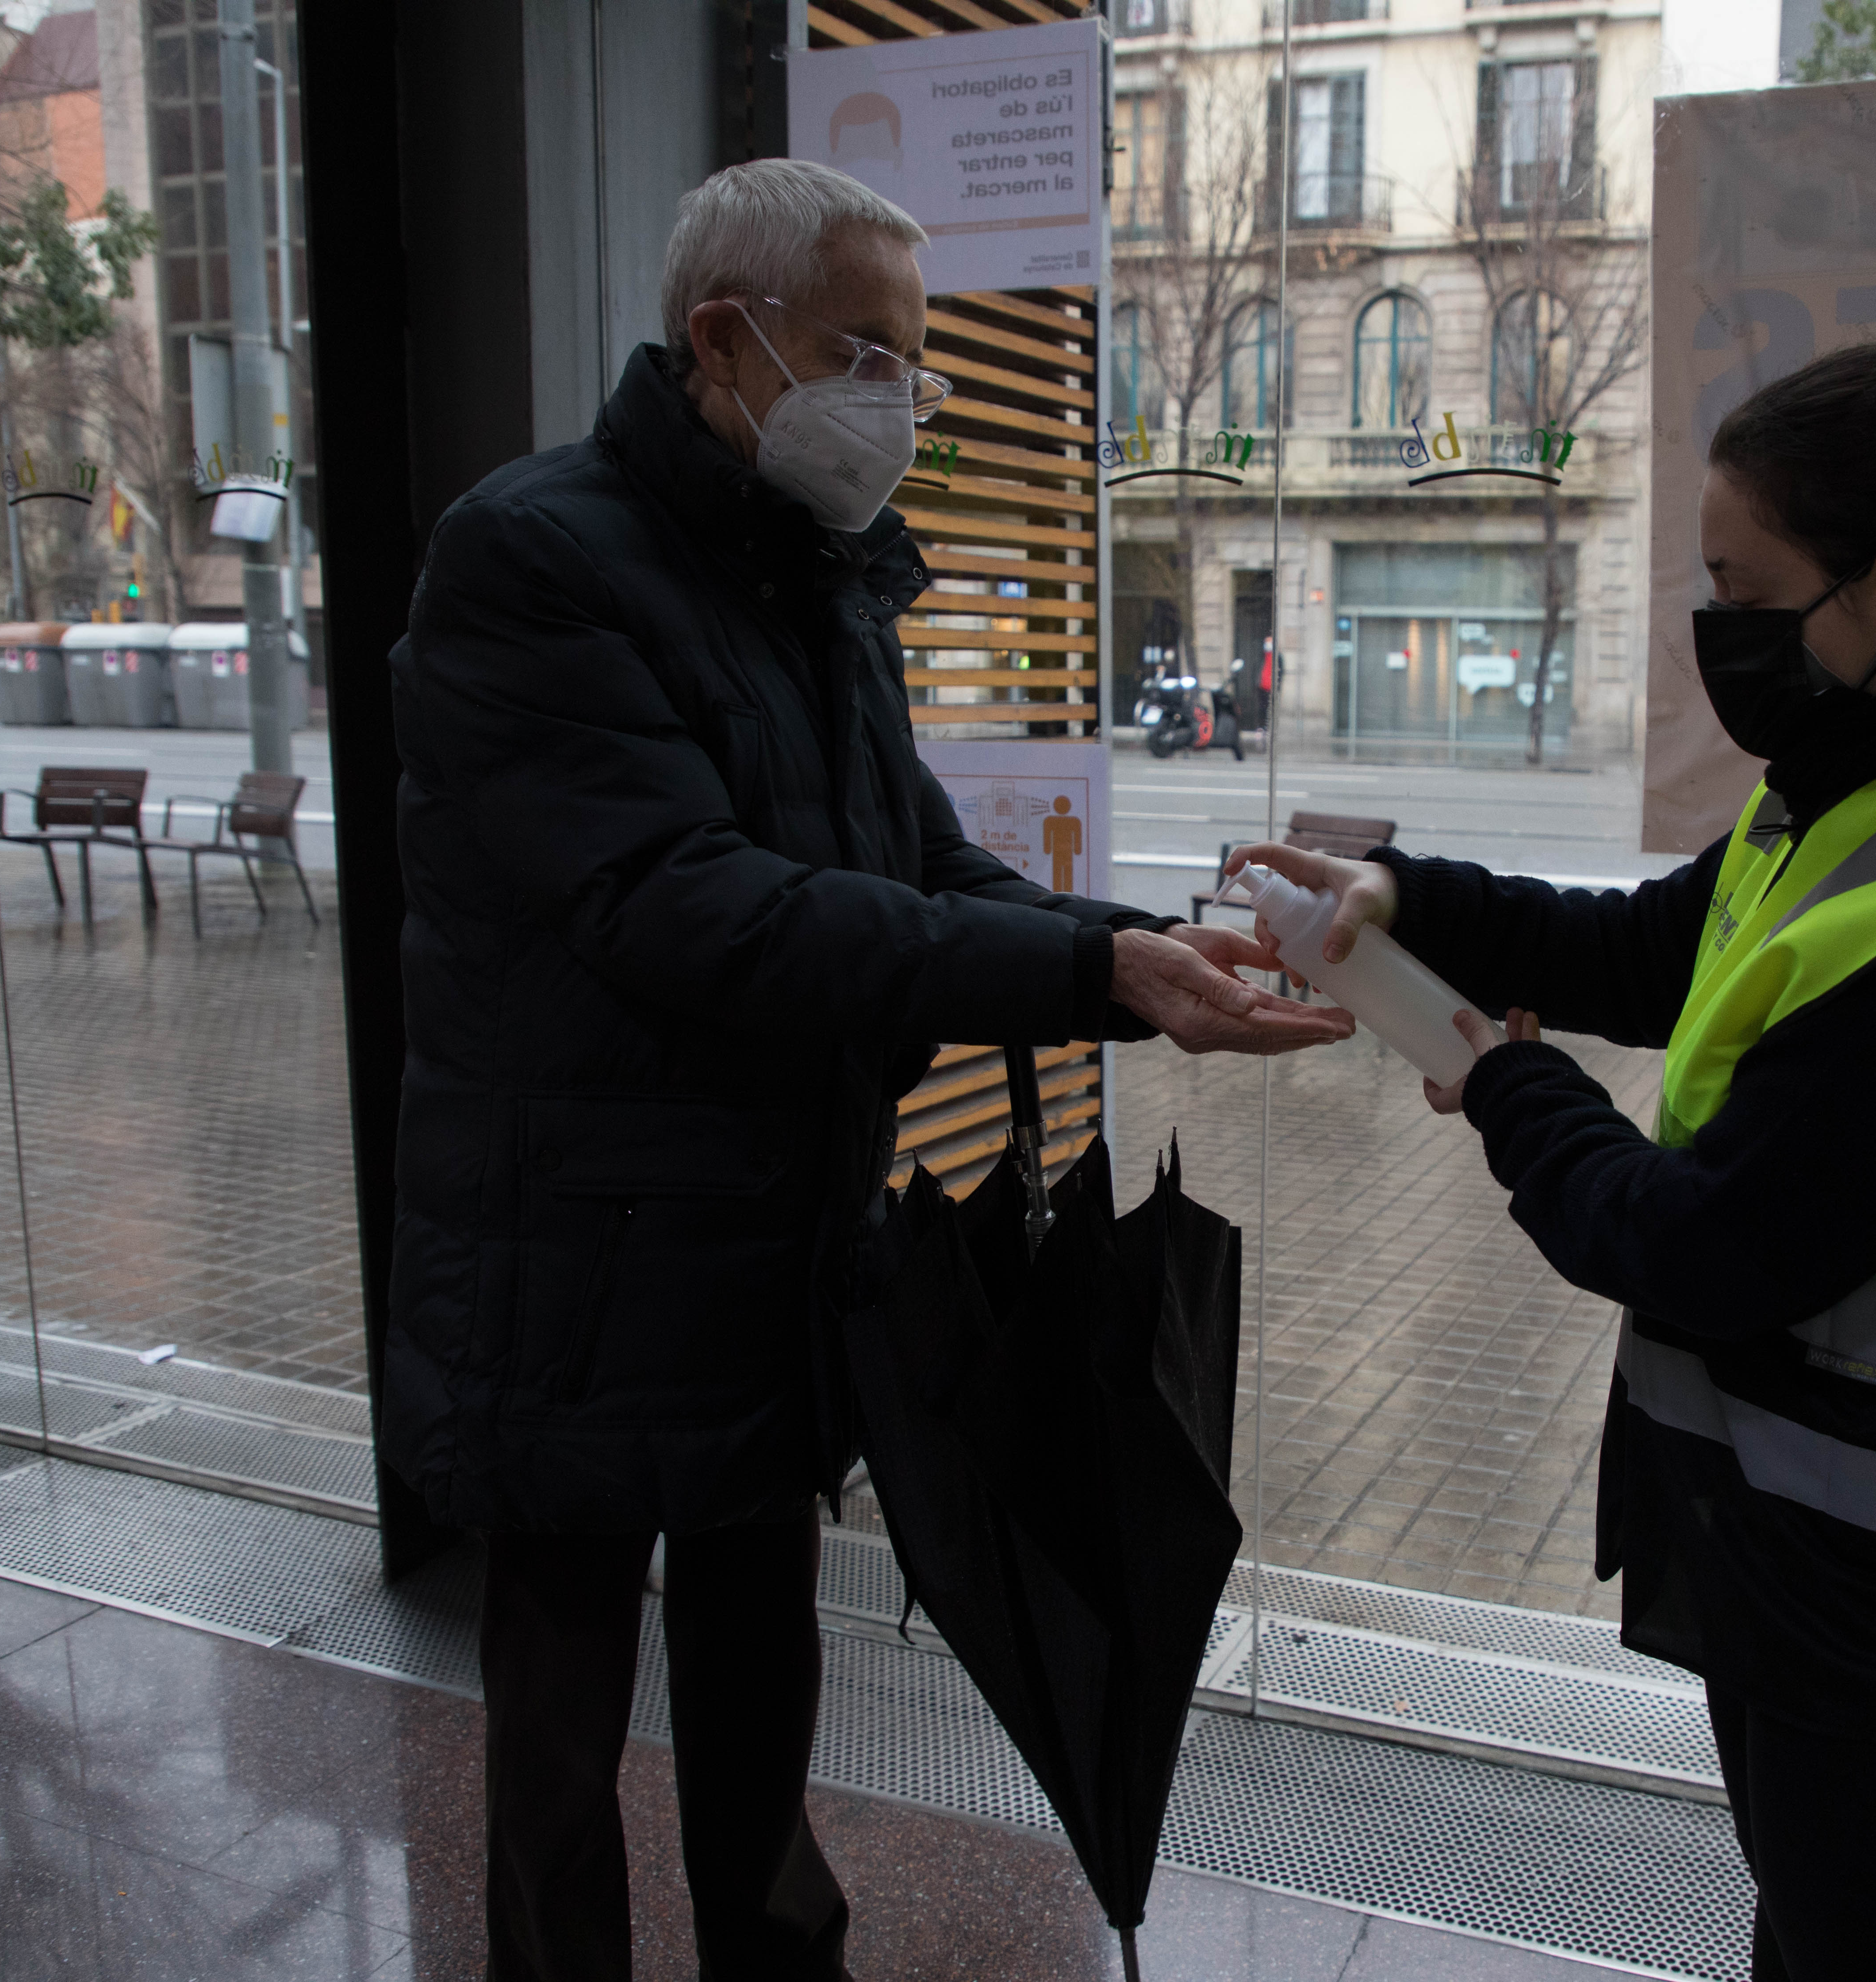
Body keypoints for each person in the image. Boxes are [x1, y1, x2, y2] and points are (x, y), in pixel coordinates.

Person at [387, 158, 1350, 1982]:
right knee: (559, 1722)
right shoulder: (527, 557)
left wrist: (1138, 944)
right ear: (721, 339)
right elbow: (699, 912)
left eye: (919, 363)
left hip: (771, 1228)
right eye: (866, 352)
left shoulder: (808, 576)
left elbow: (910, 863)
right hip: (568, 1260)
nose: (899, 400)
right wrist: (1093, 966)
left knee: (764, 1665)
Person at [1234, 342, 1876, 1981]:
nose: (1719, 630)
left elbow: (1698, 1246)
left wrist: (1506, 1080)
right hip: (1856, 1567)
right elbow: (1656, 947)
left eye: (1744, 586)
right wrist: (1407, 902)